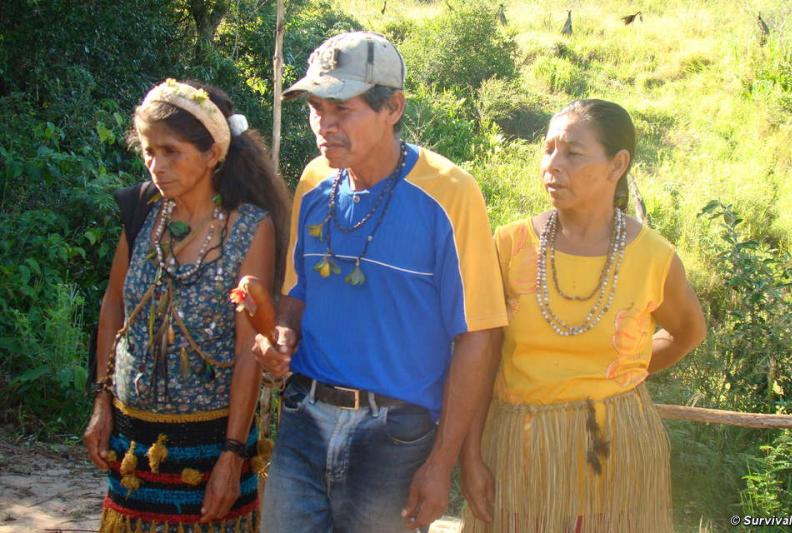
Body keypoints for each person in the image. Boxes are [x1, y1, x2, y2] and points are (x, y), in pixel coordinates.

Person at [253, 31, 508, 533]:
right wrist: (281, 332)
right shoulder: (313, 182)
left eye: (341, 110)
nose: (324, 126)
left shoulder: (450, 194)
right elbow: (296, 294)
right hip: (303, 419)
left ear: (393, 106)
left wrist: (441, 463)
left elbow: (479, 336)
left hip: (395, 437)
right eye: (315, 109)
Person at [460, 99, 707, 533]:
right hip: (520, 451)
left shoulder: (654, 257)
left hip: (613, 452)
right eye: (548, 149)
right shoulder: (509, 245)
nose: (552, 165)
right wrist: (471, 455)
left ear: (618, 165)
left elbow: (687, 332)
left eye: (572, 152)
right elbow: (480, 355)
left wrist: (623, 371)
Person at [83, 79, 291, 532]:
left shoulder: (250, 230)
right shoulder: (142, 211)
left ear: (213, 153)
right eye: (148, 151)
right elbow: (113, 304)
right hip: (134, 445)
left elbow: (247, 349)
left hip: (210, 447)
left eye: (171, 151)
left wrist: (233, 457)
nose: (156, 165)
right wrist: (102, 403)